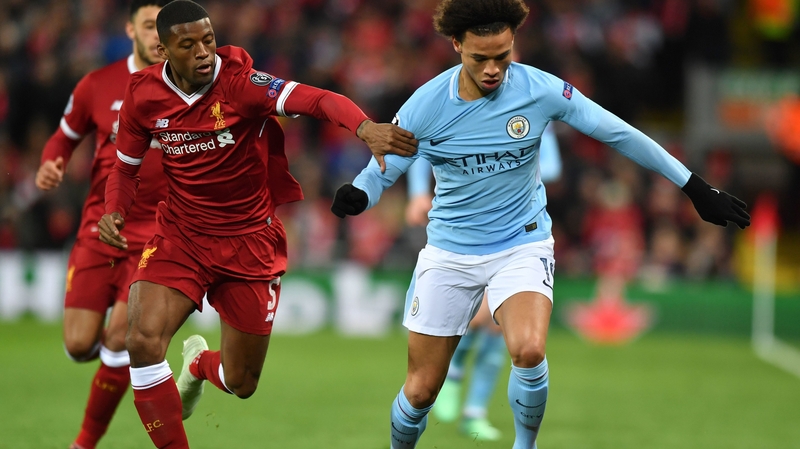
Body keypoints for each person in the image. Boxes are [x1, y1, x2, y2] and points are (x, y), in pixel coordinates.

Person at [329, 1, 750, 448]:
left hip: (522, 242)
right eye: (480, 58)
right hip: (450, 252)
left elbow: (618, 132)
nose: (493, 69)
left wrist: (694, 186)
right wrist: (361, 193)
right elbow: (385, 166)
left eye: (503, 56)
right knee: (420, 391)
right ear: (456, 46)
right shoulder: (426, 105)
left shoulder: (541, 90)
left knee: (528, 350)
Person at [96, 1, 417, 448]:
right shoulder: (143, 95)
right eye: (188, 45)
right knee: (143, 340)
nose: (204, 52)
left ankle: (198, 367)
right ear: (164, 50)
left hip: (248, 243)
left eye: (208, 39)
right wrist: (114, 210)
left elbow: (318, 99)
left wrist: (364, 128)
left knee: (241, 381)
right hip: (180, 237)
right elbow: (125, 168)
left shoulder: (241, 85)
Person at [34, 2, 173, 448]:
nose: (158, 36)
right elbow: (64, 136)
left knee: (122, 336)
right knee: (79, 346)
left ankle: (83, 443)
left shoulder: (189, 88)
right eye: (150, 26)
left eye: (165, 28)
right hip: (99, 229)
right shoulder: (97, 84)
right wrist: (50, 164)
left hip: (155, 237)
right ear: (130, 28)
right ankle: (118, 362)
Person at [404, 123, 561, 441]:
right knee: (474, 319)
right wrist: (418, 193)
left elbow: (554, 167)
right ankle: (454, 373)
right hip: (465, 231)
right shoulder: (456, 107)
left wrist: (511, 168)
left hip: (514, 233)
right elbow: (421, 147)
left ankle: (474, 410)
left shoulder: (535, 111)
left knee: (498, 326)